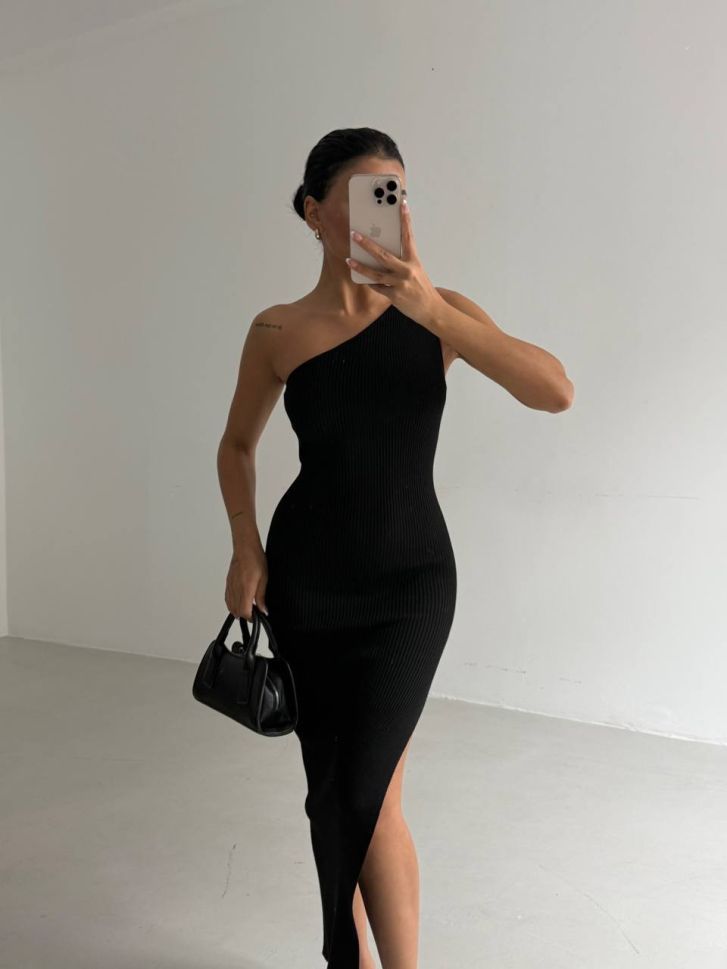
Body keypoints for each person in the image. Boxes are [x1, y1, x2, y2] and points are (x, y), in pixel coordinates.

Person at [216, 127, 573, 968]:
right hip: (307, 582)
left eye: (398, 193)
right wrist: (245, 546)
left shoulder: (438, 311)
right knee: (343, 798)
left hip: (410, 585)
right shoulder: (276, 328)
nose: (390, 208)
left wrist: (430, 309)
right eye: (368, 194)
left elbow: (553, 391)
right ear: (314, 212)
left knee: (364, 790)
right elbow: (235, 445)